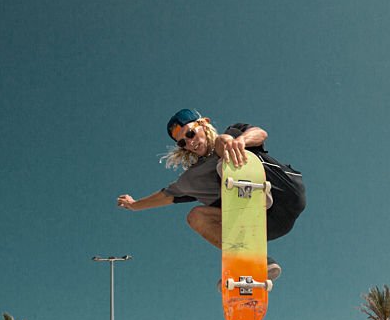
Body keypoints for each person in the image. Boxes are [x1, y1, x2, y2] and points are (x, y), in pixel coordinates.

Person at [117, 109, 306, 281]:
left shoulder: (232, 133)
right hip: (269, 224)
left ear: (204, 124)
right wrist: (135, 205)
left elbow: (260, 133)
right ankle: (254, 262)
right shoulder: (193, 178)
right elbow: (165, 196)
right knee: (196, 217)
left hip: (283, 192)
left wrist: (241, 141)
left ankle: (254, 194)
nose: (190, 142)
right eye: (183, 142)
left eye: (191, 133)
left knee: (223, 142)